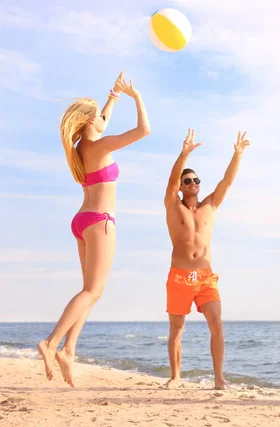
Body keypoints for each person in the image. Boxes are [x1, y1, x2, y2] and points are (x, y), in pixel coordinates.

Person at [37, 71, 151, 387]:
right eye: (98, 116)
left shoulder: (80, 150)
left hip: (81, 221)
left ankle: (69, 351)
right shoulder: (99, 147)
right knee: (91, 291)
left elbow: (101, 120)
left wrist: (113, 96)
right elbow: (145, 130)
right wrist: (137, 97)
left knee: (91, 292)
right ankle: (51, 343)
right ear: (89, 123)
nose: (104, 118)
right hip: (100, 221)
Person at [162, 128, 250, 389]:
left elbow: (227, 181)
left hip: (205, 277)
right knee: (177, 329)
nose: (193, 184)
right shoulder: (172, 205)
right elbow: (170, 182)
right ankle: (176, 377)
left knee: (217, 324)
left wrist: (238, 154)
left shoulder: (210, 205)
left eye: (196, 180)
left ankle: (219, 379)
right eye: (187, 181)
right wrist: (184, 154)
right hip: (179, 275)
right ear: (181, 186)